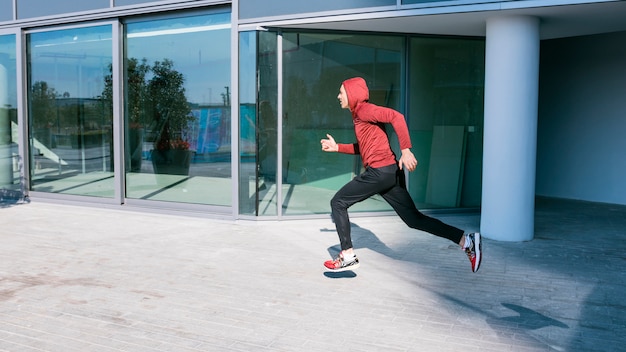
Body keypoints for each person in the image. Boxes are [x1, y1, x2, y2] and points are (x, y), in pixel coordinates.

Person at [320, 77, 482, 272]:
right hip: (389, 172)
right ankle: (467, 241)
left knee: (338, 202)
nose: (338, 96)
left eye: (341, 92)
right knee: (414, 219)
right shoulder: (359, 115)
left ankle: (347, 255)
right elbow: (364, 148)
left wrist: (406, 150)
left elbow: (396, 116)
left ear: (352, 93)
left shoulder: (364, 109)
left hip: (380, 172)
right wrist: (337, 147)